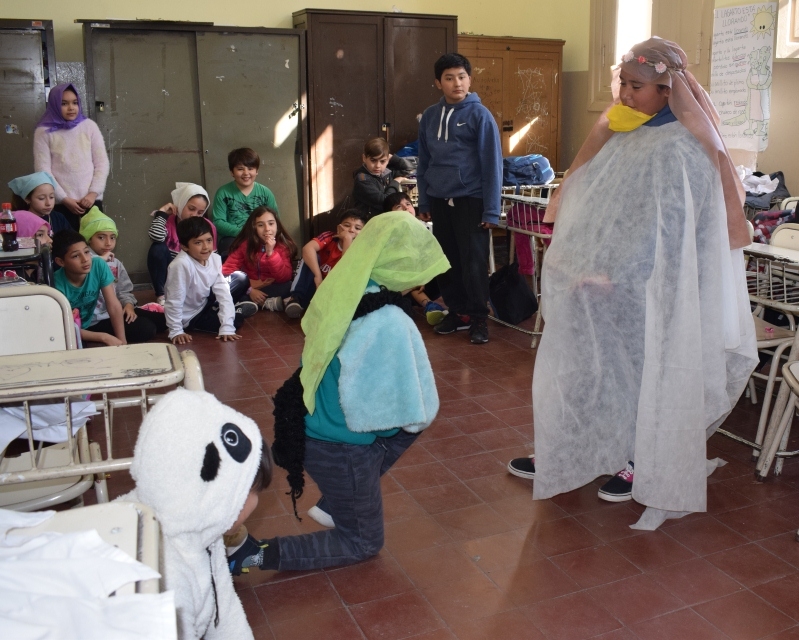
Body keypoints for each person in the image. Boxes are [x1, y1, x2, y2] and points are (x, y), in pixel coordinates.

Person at [511, 37, 757, 530]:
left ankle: (642, 458)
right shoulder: (623, 130)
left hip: (653, 289)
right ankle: (573, 447)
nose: (624, 94)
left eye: (636, 86)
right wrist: (583, 263)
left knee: (650, 372)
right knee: (589, 367)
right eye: (621, 83)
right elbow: (600, 207)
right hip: (602, 282)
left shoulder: (684, 146)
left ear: (668, 90)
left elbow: (673, 230)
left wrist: (618, 272)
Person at [233, 211, 449, 572]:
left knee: (401, 430)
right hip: (337, 445)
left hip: (308, 420)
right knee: (362, 542)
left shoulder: (345, 286)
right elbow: (405, 411)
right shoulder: (391, 321)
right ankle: (252, 554)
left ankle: (340, 496)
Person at [417, 53, 503, 345]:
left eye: (462, 77)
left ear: (470, 79)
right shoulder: (430, 116)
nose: (457, 83)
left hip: (471, 200)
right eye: (449, 78)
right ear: (438, 83)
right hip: (439, 200)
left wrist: (491, 211)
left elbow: (492, 165)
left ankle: (479, 318)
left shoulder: (480, 115)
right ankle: (458, 313)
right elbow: (424, 162)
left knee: (473, 263)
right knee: (446, 262)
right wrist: (425, 201)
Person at [164, 217, 257, 345]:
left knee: (241, 278)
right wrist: (176, 330)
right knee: (237, 320)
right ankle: (235, 310)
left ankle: (225, 310)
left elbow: (223, 292)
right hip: (191, 316)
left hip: (205, 301)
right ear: (184, 246)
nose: (206, 247)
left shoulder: (214, 258)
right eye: (198, 243)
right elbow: (174, 300)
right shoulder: (180, 265)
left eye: (209, 240)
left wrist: (227, 327)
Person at [80, 207, 163, 343]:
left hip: (117, 312)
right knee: (147, 329)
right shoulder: (84, 263)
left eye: (112, 237)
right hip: (96, 321)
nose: (108, 243)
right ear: (89, 239)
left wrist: (128, 305)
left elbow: (124, 290)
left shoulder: (115, 263)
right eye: (101, 237)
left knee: (164, 320)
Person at [33, 83, 109, 231]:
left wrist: (93, 194)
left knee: (96, 242)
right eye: (64, 103)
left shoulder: (89, 126)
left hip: (91, 201)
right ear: (54, 104)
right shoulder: (43, 132)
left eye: (75, 103)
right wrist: (64, 198)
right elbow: (43, 171)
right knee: (67, 243)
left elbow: (102, 163)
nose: (71, 108)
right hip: (62, 204)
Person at [283, 209, 367, 319]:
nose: (351, 230)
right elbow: (307, 249)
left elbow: (346, 269)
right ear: (339, 228)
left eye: (357, 228)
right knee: (309, 258)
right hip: (316, 285)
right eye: (347, 225)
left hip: (334, 293)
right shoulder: (330, 237)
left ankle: (281, 302)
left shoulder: (362, 250)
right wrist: (318, 276)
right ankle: (295, 299)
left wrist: (347, 239)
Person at [52, 229, 127, 347]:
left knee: (145, 328)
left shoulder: (98, 264)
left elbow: (113, 305)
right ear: (61, 261)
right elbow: (64, 326)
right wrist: (104, 337)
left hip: (93, 324)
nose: (85, 259)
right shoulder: (56, 284)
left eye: (86, 252)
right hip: (70, 331)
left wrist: (122, 342)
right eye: (76, 256)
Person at [147, 182, 217, 305]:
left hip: (195, 275)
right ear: (180, 203)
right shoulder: (168, 221)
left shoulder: (206, 226)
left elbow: (212, 258)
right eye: (191, 209)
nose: (194, 215)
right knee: (157, 249)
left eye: (200, 212)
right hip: (172, 273)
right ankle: (162, 296)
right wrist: (162, 212)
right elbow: (155, 236)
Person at [383, 191, 447, 325]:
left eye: (408, 204)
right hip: (400, 285)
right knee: (406, 274)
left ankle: (456, 307)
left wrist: (423, 276)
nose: (406, 208)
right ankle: (429, 306)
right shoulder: (389, 234)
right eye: (399, 206)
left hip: (427, 280)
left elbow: (432, 256)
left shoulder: (426, 228)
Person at [221, 206, 298, 312]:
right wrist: (249, 289)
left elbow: (284, 277)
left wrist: (271, 253)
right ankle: (266, 303)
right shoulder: (245, 245)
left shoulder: (283, 246)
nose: (267, 229)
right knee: (228, 289)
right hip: (249, 287)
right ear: (253, 227)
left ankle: (259, 303)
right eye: (260, 225)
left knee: (289, 286)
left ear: (277, 225)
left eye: (271, 223)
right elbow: (226, 271)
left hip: (270, 287)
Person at [211, 148, 279, 256]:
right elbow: (218, 222)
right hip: (234, 238)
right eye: (240, 169)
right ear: (232, 172)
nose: (246, 173)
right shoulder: (223, 193)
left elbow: (275, 219)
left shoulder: (266, 193)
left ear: (257, 171)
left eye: (250, 168)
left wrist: (263, 232)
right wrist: (245, 233)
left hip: (261, 235)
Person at [351, 137, 413, 219]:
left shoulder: (386, 172)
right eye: (373, 160)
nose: (378, 166)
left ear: (388, 160)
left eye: (382, 161)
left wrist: (392, 157)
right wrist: (395, 182)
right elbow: (385, 201)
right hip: (368, 222)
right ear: (364, 158)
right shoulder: (362, 179)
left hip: (383, 220)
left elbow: (408, 169)